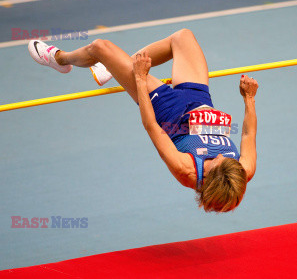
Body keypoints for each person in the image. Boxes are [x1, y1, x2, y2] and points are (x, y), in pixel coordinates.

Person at [28, 29, 258, 212]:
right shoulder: (242, 170)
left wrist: (139, 79)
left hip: (166, 108)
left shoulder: (186, 170)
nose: (220, 155)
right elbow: (248, 134)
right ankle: (114, 67)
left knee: (100, 47)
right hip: (199, 99)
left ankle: (59, 59)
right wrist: (249, 98)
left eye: (217, 161)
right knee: (182, 37)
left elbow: (153, 128)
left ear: (208, 176)